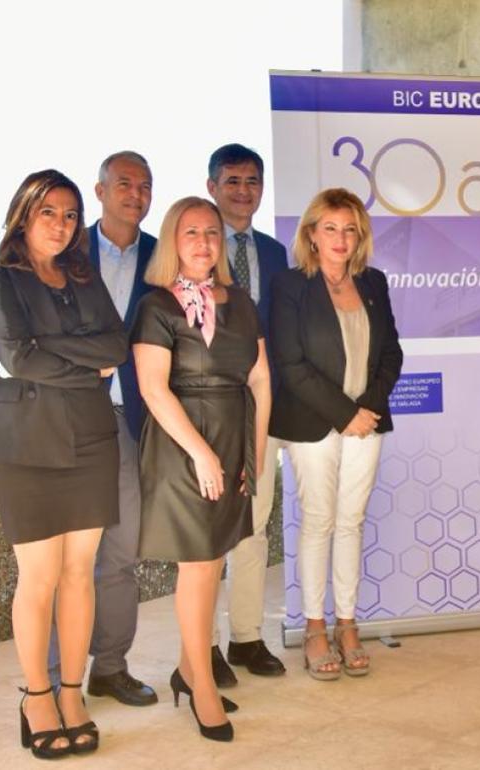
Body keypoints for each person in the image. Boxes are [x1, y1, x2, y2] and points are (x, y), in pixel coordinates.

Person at [0, 169, 126, 758]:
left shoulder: (83, 276)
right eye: (49, 213)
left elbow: (116, 344)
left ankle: (71, 692)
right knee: (38, 578)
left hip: (91, 438)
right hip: (26, 445)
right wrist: (86, 368)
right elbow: (15, 354)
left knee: (78, 573)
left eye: (69, 215)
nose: (61, 226)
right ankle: (36, 694)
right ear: (23, 214)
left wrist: (56, 352)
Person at [132, 196, 272, 742]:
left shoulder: (241, 302)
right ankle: (203, 688)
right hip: (181, 446)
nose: (203, 242)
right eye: (191, 232)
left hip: (234, 438)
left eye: (211, 232)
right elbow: (152, 388)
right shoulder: (156, 306)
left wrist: (253, 454)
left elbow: (260, 380)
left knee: (214, 563)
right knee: (198, 564)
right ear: (173, 240)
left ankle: (188, 672)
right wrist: (203, 453)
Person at [268, 188, 403, 679]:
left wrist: (366, 409)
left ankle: (348, 625)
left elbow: (392, 354)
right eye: (331, 228)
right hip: (312, 422)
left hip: (366, 422)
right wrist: (344, 413)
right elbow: (290, 362)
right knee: (319, 520)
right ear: (311, 234)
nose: (341, 239)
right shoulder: (289, 286)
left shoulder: (374, 283)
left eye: (350, 229)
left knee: (352, 521)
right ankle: (315, 628)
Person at [45, 151, 159, 707]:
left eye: (144, 185)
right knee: (65, 556)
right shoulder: (66, 249)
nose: (134, 193)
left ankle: (109, 667)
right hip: (67, 420)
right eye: (123, 183)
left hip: (132, 422)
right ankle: (49, 675)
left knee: (122, 549)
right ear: (100, 189)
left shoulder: (164, 257)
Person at [205, 143, 290, 683]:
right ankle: (203, 645)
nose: (243, 190)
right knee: (208, 533)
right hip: (208, 411)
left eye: (252, 181)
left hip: (262, 410)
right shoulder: (192, 243)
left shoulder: (275, 252)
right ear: (212, 185)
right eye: (232, 180)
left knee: (254, 529)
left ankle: (246, 638)